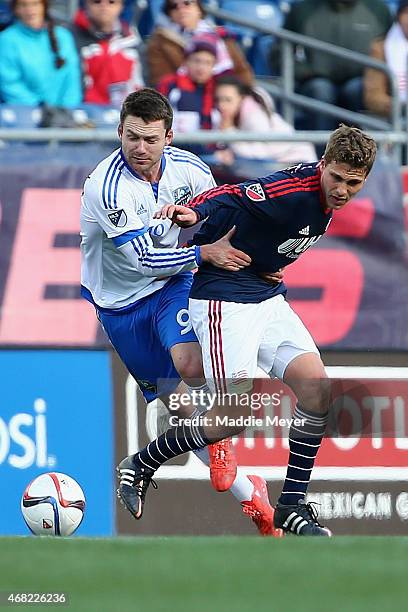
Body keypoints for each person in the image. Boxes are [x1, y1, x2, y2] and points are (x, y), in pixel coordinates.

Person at [117, 124, 377, 537]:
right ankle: (141, 463)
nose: (343, 189)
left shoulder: (324, 200)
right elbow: (235, 194)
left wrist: (265, 263)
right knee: (233, 417)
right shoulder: (293, 192)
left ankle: (291, 506)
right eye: (337, 178)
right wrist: (196, 212)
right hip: (224, 299)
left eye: (353, 183)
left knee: (317, 389)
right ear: (323, 165)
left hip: (266, 296)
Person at [80, 87, 283, 536]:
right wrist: (204, 254)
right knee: (183, 413)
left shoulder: (193, 171)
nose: (140, 148)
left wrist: (257, 259)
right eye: (131, 137)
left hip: (173, 284)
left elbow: (229, 221)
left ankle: (224, 438)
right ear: (119, 132)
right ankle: (254, 497)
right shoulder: (106, 186)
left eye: (150, 139)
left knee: (190, 362)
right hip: (119, 303)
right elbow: (143, 261)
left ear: (169, 137)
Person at [272, 0, 392, 132]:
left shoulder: (378, 9)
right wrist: (305, 72)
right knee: (321, 90)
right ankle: (322, 150)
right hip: (315, 80)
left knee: (356, 90)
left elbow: (394, 50)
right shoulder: (303, 10)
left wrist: (375, 77)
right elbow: (279, 52)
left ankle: (353, 150)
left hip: (363, 80)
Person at [213, 75, 317, 166]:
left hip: (298, 161)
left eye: (228, 100)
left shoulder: (254, 116)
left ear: (241, 98)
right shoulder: (226, 116)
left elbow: (259, 154)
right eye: (218, 100)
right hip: (278, 164)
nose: (221, 105)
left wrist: (229, 132)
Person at [146, 0, 253, 88]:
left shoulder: (220, 35)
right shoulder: (161, 41)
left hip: (229, 95)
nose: (181, 9)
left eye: (187, 3)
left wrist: (238, 95)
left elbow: (242, 72)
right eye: (174, 6)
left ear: (199, 9)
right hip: (188, 99)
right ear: (169, 14)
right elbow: (161, 82)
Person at [0, 0, 81, 108]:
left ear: (44, 6)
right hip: (26, 114)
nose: (30, 10)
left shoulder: (63, 36)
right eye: (23, 5)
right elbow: (9, 84)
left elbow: (72, 78)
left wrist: (68, 108)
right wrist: (40, 108)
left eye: (35, 4)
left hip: (66, 115)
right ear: (16, 9)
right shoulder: (6, 40)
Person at [71, 0, 145, 107]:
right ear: (86, 4)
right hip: (86, 112)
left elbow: (143, 82)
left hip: (129, 113)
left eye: (111, 2)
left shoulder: (132, 40)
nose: (104, 6)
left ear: (121, 6)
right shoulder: (70, 38)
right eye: (97, 2)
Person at [364, 0, 408, 119]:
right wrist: (401, 107)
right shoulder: (380, 48)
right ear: (398, 17)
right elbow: (374, 96)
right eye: (406, 13)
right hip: (395, 118)